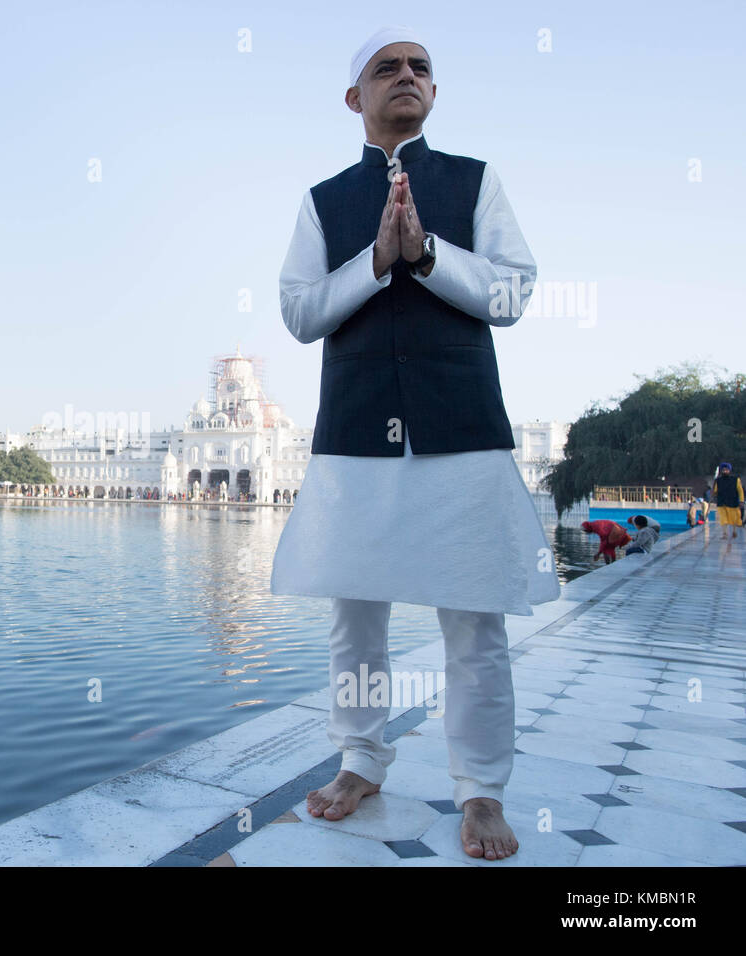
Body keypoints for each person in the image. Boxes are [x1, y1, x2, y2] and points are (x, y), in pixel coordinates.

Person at [269, 26, 559, 861]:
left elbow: (510, 292)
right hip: (358, 430)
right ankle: (361, 760)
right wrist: (375, 260)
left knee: (474, 620)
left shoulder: (474, 181)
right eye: (386, 68)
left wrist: (427, 255)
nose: (408, 77)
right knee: (354, 615)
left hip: (458, 426)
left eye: (421, 68)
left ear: (435, 93)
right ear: (354, 98)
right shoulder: (324, 200)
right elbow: (298, 312)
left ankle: (480, 791)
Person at [711, 461, 743, 539]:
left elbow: (740, 490)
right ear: (721, 471)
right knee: (723, 519)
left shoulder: (736, 480)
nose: (725, 471)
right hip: (722, 502)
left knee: (734, 519)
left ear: (729, 470)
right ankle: (724, 534)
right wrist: (713, 491)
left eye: (726, 470)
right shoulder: (718, 480)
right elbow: (715, 491)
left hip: (733, 502)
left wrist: (741, 500)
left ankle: (734, 531)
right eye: (723, 470)